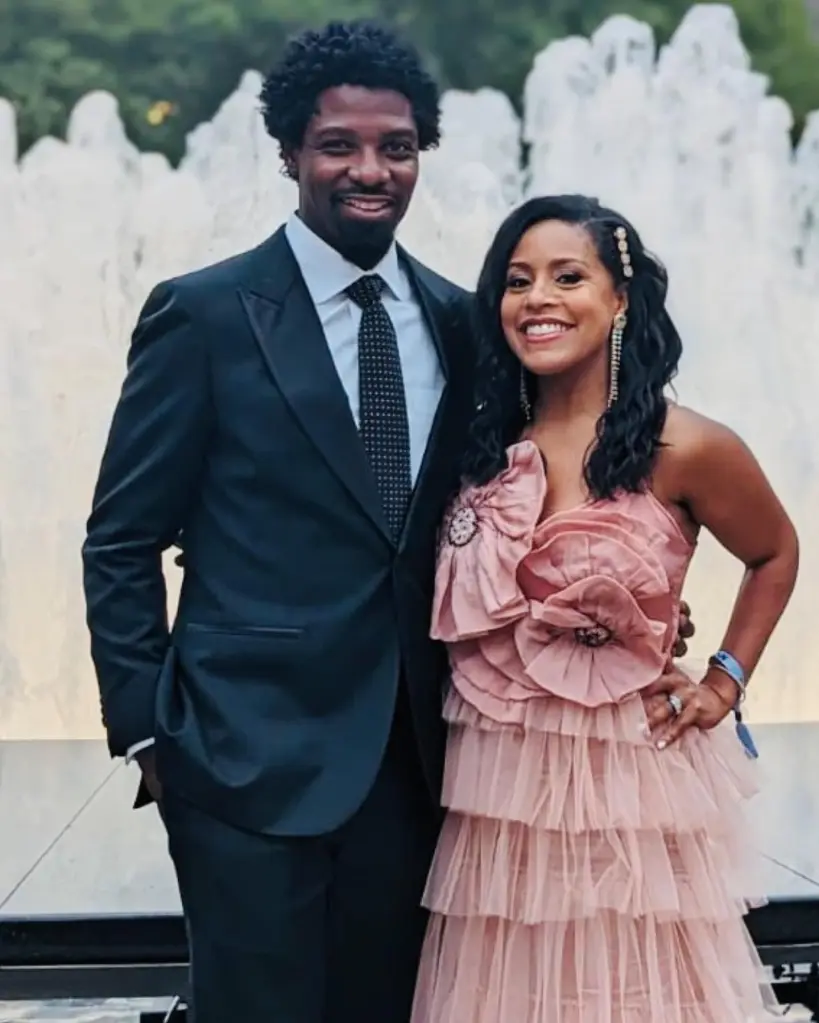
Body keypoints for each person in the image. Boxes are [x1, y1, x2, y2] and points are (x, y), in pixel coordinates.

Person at [82, 22, 693, 1023]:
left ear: (419, 157)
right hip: (241, 760)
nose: (370, 171)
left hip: (420, 761)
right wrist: (149, 731)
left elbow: (519, 507)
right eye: (339, 146)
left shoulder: (466, 323)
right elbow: (119, 539)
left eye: (396, 148)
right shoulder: (205, 316)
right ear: (288, 152)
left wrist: (630, 606)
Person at [410, 194, 799, 1023]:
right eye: (516, 281)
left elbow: (773, 552)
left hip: (629, 775)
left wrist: (723, 682)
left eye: (566, 276)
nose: (537, 299)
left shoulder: (682, 444)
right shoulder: (476, 447)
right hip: (496, 786)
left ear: (619, 299)